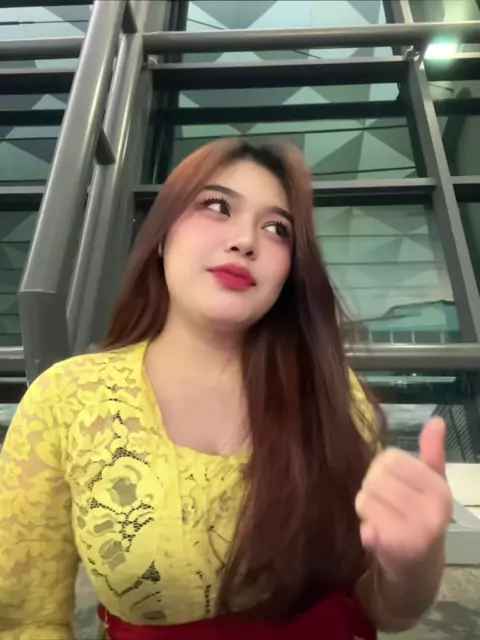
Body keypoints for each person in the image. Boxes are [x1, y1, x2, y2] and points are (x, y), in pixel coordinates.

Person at [0, 139, 452, 640]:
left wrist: (415, 560)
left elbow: (383, 611)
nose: (245, 241)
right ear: (162, 235)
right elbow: (27, 621)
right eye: (217, 206)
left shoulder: (334, 396)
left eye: (277, 229)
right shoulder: (67, 399)